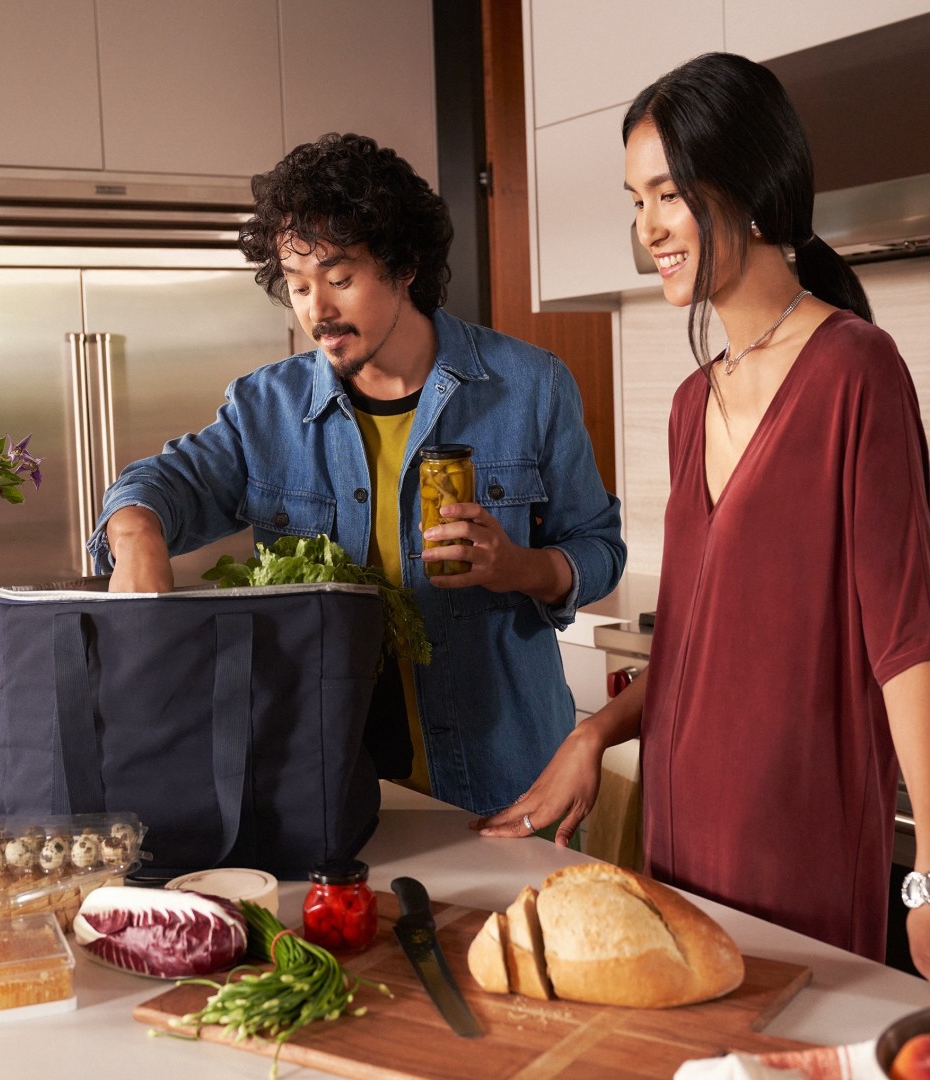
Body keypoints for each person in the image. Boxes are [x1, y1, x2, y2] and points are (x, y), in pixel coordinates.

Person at [475, 52, 930, 977]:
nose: (648, 229)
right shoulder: (692, 404)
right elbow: (690, 647)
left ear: (751, 186)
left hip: (797, 836)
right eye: (636, 201)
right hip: (681, 834)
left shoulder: (856, 371)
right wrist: (592, 734)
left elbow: (907, 640)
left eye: (669, 194)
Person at [87, 132, 625, 816]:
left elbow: (599, 550)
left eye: (339, 279)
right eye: (299, 284)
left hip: (505, 781)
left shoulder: (530, 388)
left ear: (404, 267)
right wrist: (135, 537)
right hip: (322, 790)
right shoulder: (264, 408)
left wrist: (519, 567)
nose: (317, 309)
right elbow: (162, 486)